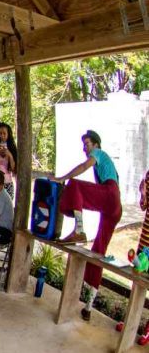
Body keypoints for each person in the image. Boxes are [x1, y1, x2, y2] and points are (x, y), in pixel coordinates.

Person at [49, 130, 120, 321]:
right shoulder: (107, 164)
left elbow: (83, 167)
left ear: (96, 144)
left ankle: (79, 230)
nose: (85, 147)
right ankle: (89, 306)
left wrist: (61, 178)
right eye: (84, 144)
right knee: (98, 252)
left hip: (110, 194)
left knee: (75, 185)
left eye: (87, 143)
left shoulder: (99, 154)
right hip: (115, 207)